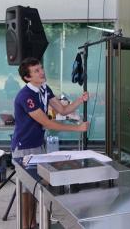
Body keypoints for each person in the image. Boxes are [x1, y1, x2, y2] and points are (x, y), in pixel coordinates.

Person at [11, 57, 89, 229]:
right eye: (36, 71)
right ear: (27, 78)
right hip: (24, 147)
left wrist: (79, 100)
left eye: (41, 68)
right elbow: (46, 122)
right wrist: (77, 129)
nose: (42, 72)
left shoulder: (45, 89)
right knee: (27, 189)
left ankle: (33, 223)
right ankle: (26, 225)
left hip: (38, 144)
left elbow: (62, 109)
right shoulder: (26, 96)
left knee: (37, 186)